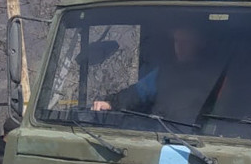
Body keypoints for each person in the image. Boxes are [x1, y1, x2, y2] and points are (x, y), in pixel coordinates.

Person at [92, 26, 224, 124]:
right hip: (162, 134)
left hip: (199, 140)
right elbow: (137, 93)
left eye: (186, 42)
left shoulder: (217, 77)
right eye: (177, 42)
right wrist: (111, 103)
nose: (180, 47)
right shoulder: (164, 73)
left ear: (200, 44)